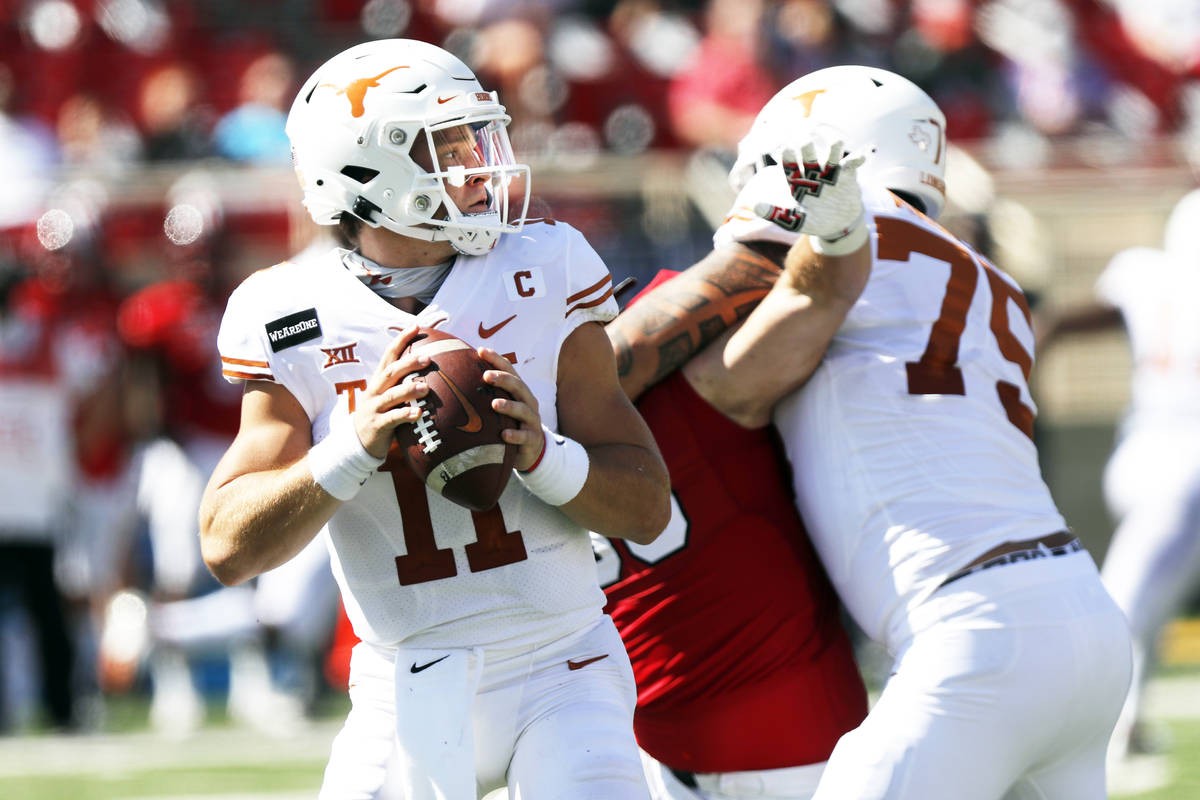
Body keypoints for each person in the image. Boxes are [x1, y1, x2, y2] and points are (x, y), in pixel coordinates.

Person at [611, 65, 1133, 800]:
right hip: (1082, 608)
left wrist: (549, 396)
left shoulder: (820, 222)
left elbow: (661, 348)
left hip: (973, 628)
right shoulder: (990, 279)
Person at [198, 38, 670, 800]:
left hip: (562, 666)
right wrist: (351, 445)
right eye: (449, 147)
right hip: (403, 687)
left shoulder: (546, 267)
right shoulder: (286, 312)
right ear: (369, 169)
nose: (482, 164)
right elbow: (226, 546)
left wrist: (541, 454)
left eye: (477, 139)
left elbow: (647, 507)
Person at [595, 261, 870, 800]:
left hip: (704, 746)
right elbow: (816, 291)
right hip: (763, 736)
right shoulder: (699, 393)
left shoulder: (519, 433)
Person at [1037, 187, 1200, 762]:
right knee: (1132, 600)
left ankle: (1131, 720)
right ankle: (1105, 724)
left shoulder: (1143, 273)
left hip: (1137, 448)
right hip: (1188, 456)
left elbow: (1061, 319)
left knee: (1146, 599)